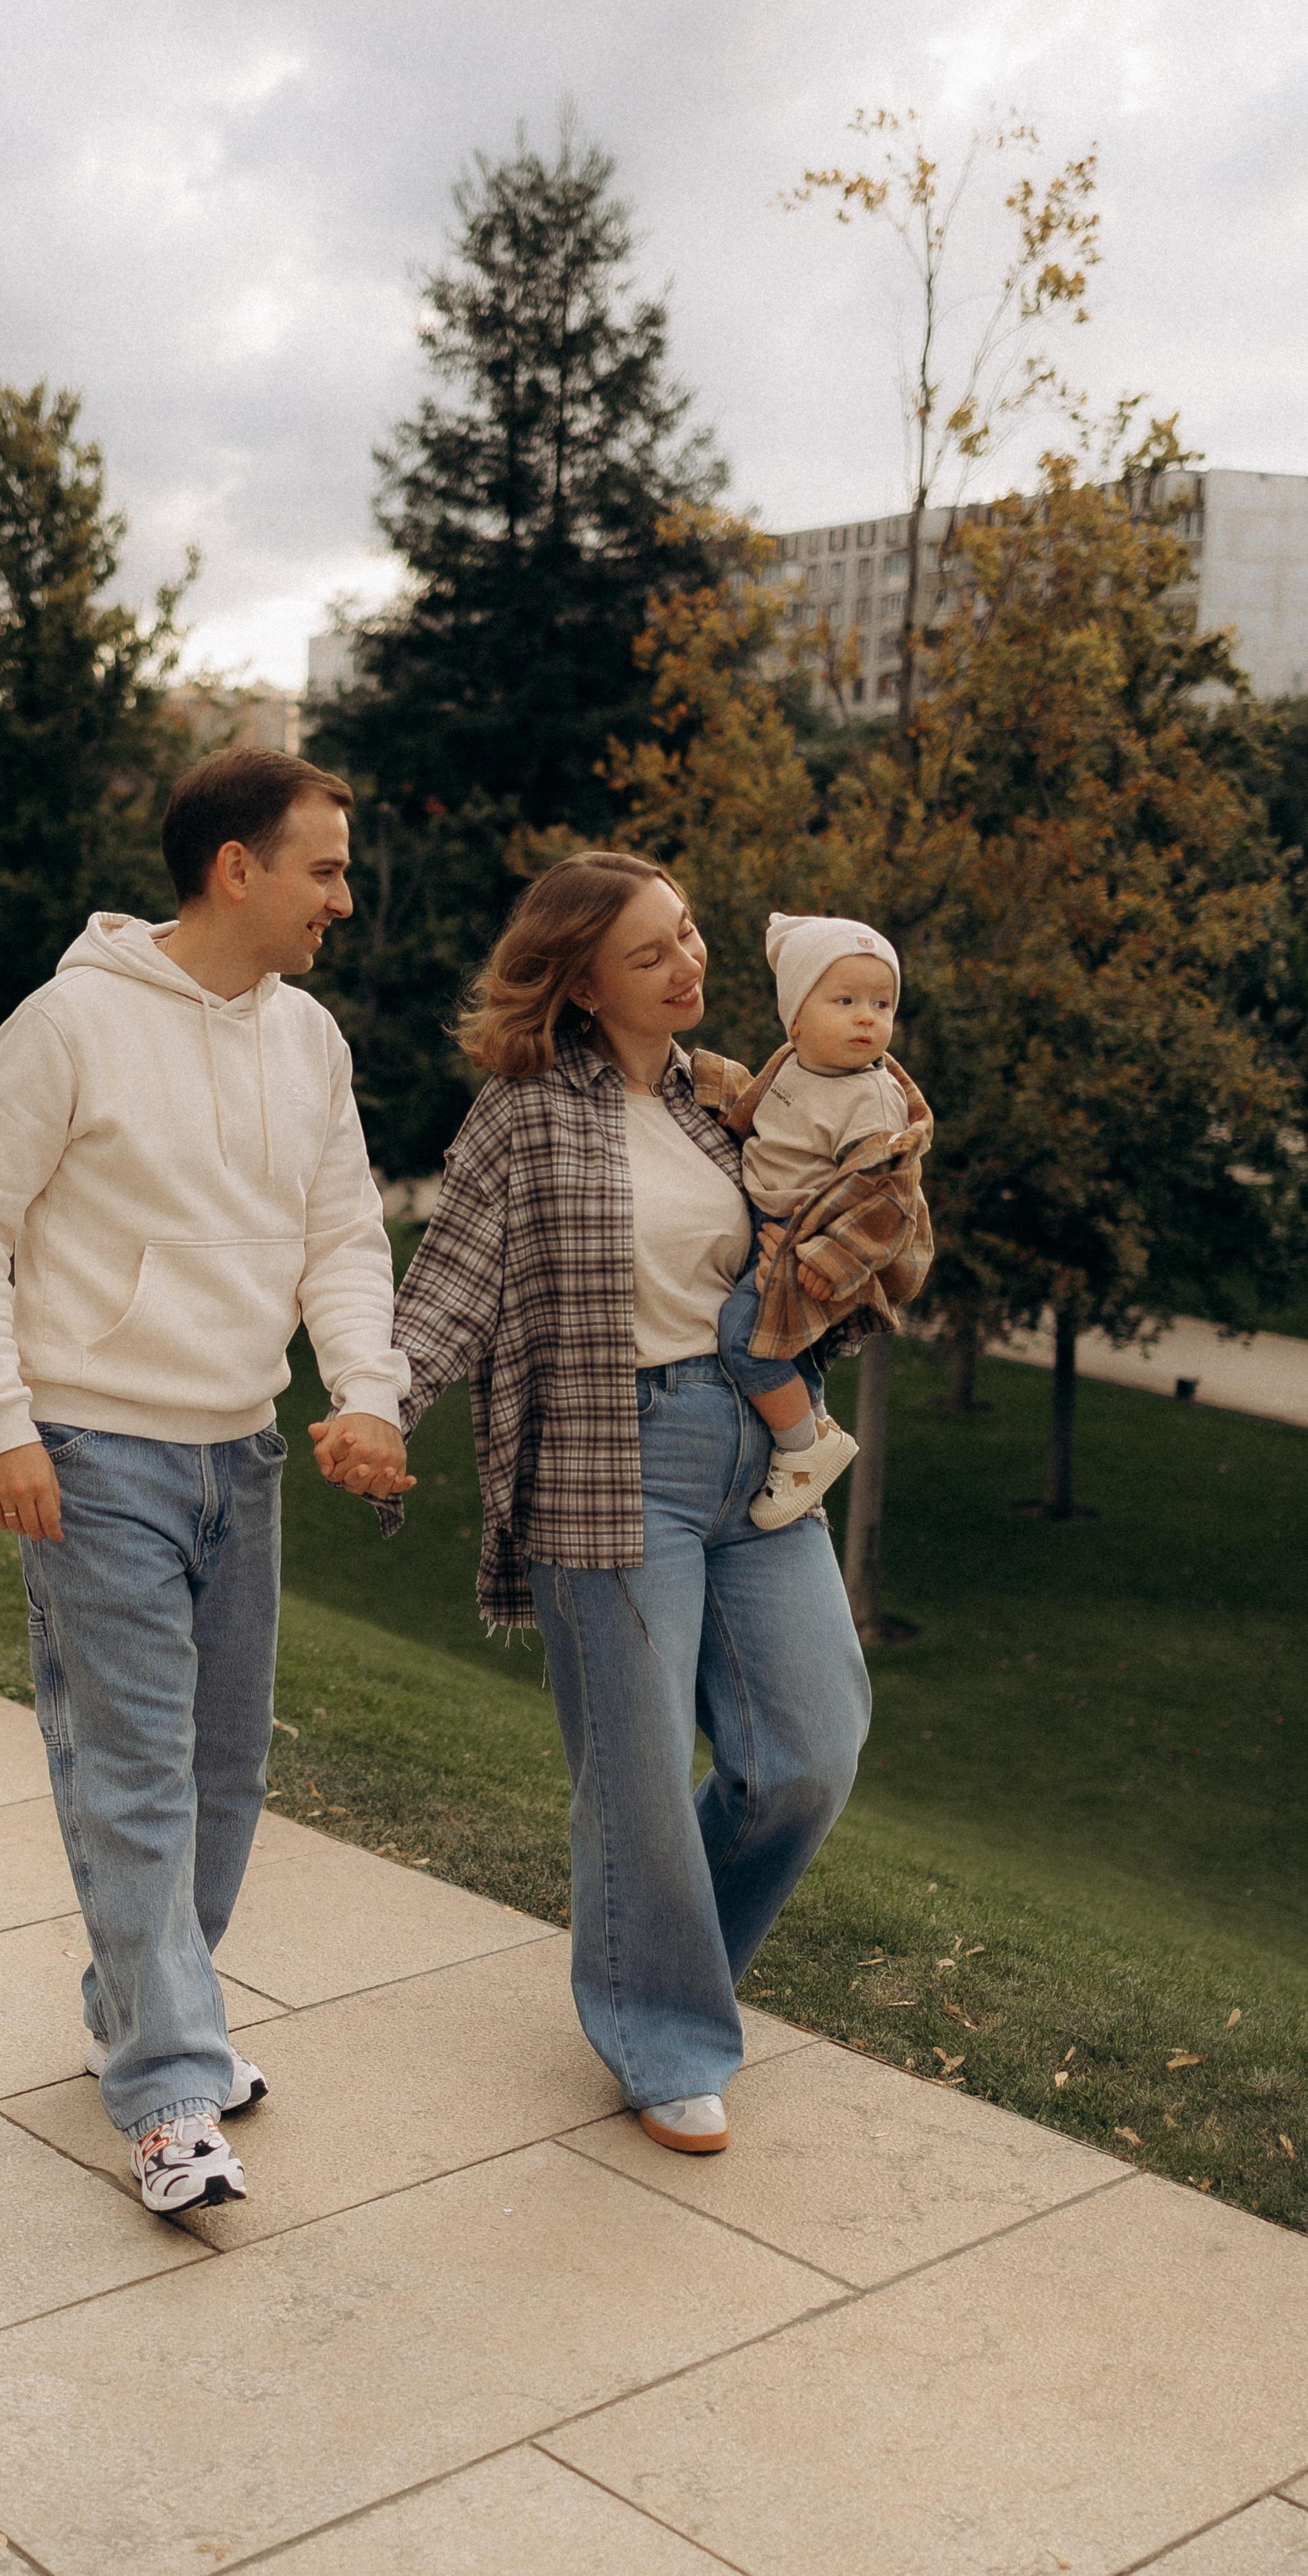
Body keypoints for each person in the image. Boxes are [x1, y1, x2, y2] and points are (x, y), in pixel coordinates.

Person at [319, 850, 871, 2156]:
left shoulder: (732, 1100)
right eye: (649, 955)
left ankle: (653, 1964)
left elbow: (814, 1245)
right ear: (577, 980)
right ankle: (663, 2034)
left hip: (760, 1451)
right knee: (631, 1779)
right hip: (610, 1460)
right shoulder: (523, 1114)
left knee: (809, 1753)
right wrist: (377, 1408)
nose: (687, 966)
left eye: (688, 936)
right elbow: (450, 1288)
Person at [0, 747, 411, 2218]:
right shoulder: (68, 1023)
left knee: (220, 1773)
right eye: (323, 868)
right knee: (131, 1771)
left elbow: (343, 1236)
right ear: (235, 868)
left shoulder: (308, 1040)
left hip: (237, 1452)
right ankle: (167, 2089)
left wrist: (367, 1393)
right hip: (90, 1455)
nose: (342, 897)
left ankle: (146, 2015)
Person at [712, 910, 933, 1533]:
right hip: (772, 1216)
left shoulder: (871, 1097)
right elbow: (758, 1113)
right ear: (797, 1019)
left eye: (882, 1003)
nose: (869, 1016)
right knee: (789, 1347)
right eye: (847, 1000)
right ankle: (813, 1418)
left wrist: (827, 1258)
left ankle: (803, 1450)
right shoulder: (791, 1064)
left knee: (743, 1337)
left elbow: (887, 1200)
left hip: (813, 1240)